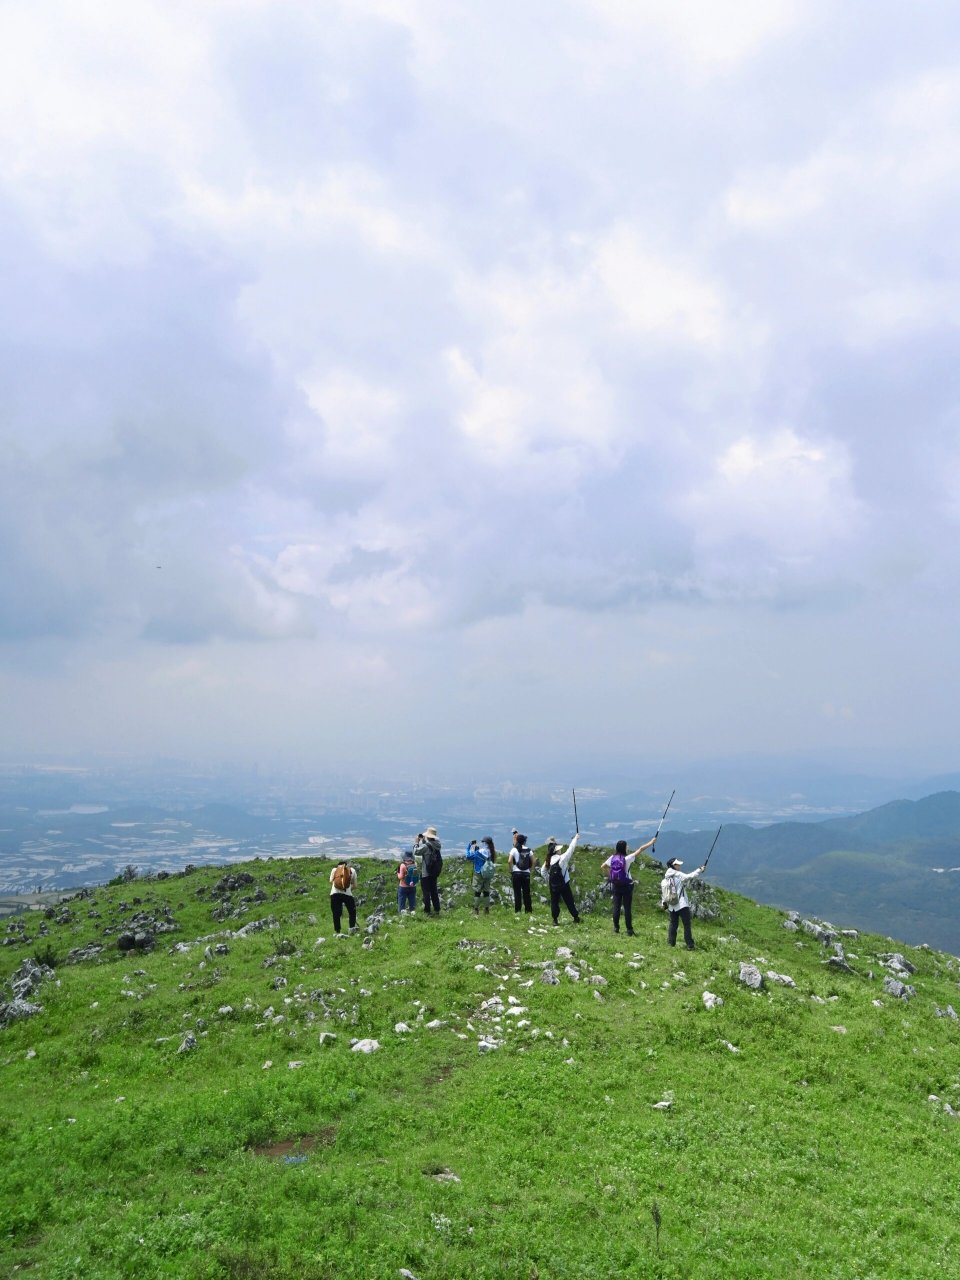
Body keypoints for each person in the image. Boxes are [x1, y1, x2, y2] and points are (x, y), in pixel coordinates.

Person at [600, 837, 657, 935]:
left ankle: (616, 928)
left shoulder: (612, 858)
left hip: (616, 885)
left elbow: (603, 866)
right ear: (624, 848)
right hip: (627, 885)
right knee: (627, 908)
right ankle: (629, 930)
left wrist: (611, 876)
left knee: (616, 907)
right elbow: (641, 849)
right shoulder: (628, 858)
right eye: (627, 846)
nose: (628, 847)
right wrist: (651, 842)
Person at [660, 857, 705, 950]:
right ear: (673, 865)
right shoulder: (678, 877)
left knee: (673, 924)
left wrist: (664, 903)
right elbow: (689, 876)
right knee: (686, 924)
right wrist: (700, 870)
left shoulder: (664, 880)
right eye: (677, 864)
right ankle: (690, 945)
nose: (679, 866)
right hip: (682, 904)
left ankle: (671, 943)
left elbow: (664, 893)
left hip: (672, 906)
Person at [542, 833, 581, 926]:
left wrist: (549, 881)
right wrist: (575, 838)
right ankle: (576, 917)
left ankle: (555, 920)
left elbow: (542, 871)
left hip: (553, 885)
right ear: (556, 851)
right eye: (559, 849)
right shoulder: (562, 859)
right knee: (569, 901)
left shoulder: (548, 861)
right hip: (564, 884)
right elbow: (571, 849)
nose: (560, 850)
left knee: (554, 902)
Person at [414, 826, 443, 914]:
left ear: (428, 836)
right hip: (434, 872)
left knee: (426, 892)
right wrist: (424, 842)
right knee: (434, 891)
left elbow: (416, 852)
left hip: (426, 872)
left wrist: (416, 843)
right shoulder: (437, 845)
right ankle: (437, 909)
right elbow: (429, 849)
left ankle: (427, 911)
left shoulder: (426, 846)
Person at [464, 836, 496, 913]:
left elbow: (468, 856)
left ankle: (476, 910)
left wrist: (469, 846)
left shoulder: (479, 852)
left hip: (479, 872)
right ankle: (486, 909)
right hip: (487, 873)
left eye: (482, 842)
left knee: (477, 892)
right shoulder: (491, 852)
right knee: (486, 892)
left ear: (485, 843)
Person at [507, 831, 535, 914]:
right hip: (526, 873)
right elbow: (534, 861)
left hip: (516, 873)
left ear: (517, 841)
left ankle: (518, 911)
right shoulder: (529, 850)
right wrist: (530, 870)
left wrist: (511, 870)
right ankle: (528, 911)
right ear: (524, 841)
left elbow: (509, 861)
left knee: (517, 893)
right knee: (526, 893)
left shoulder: (514, 849)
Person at [329, 860, 358, 934]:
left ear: (338, 865)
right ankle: (351, 929)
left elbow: (331, 881)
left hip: (335, 894)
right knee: (352, 912)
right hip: (347, 894)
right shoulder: (352, 870)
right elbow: (355, 885)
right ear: (346, 865)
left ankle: (337, 931)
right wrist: (348, 889)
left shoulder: (334, 870)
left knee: (336, 913)